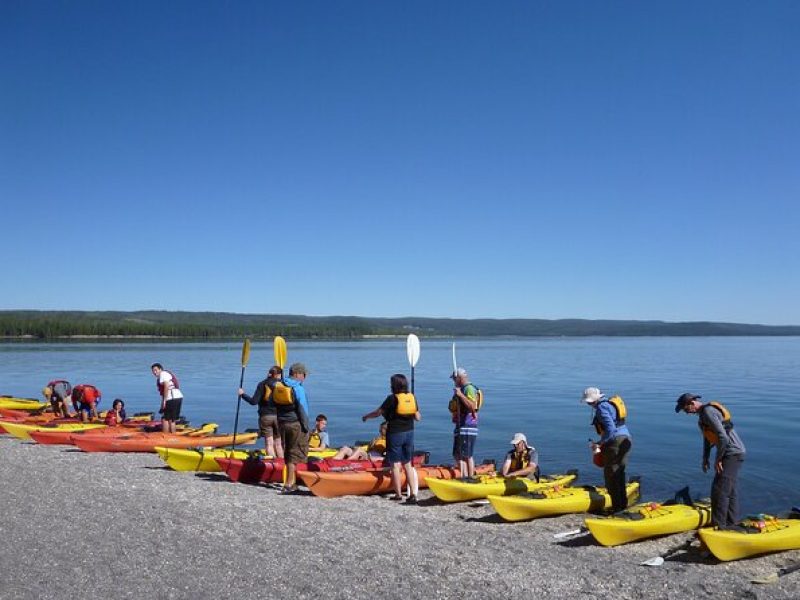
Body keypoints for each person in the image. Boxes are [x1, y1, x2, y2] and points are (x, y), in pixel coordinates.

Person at [675, 392, 746, 530]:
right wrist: (705, 458)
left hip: (732, 453)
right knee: (729, 490)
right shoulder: (702, 417)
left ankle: (719, 527)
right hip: (733, 453)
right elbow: (708, 438)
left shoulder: (708, 412)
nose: (686, 413)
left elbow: (723, 437)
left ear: (691, 403)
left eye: (685, 409)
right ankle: (731, 524)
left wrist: (718, 459)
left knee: (719, 491)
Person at [362, 374, 421, 504]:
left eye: (391, 383)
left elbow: (378, 413)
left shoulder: (391, 398)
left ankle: (398, 494)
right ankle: (413, 495)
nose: (390, 385)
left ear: (394, 385)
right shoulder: (412, 397)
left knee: (395, 464)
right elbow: (418, 417)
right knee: (407, 464)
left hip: (395, 433)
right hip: (409, 433)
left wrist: (366, 416)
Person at [583, 387, 632, 513]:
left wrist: (600, 443)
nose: (588, 404)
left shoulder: (601, 408)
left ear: (592, 401)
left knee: (611, 476)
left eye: (588, 402)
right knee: (619, 474)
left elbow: (610, 429)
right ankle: (622, 505)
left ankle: (616, 508)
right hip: (626, 438)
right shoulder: (609, 404)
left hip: (615, 442)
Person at [275, 362, 311, 494]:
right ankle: (289, 484)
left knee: (287, 453)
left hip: (282, 424)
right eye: (304, 374)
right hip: (296, 425)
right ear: (297, 374)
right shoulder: (298, 388)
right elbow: (303, 409)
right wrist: (306, 427)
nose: (305, 377)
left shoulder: (278, 385)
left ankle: (290, 482)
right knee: (294, 454)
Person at [238, 365, 284, 458]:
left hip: (265, 416)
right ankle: (282, 465)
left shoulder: (262, 384)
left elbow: (253, 402)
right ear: (278, 375)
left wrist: (242, 395)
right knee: (278, 444)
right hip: (279, 417)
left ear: (269, 373)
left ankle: (273, 463)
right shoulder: (283, 385)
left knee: (269, 444)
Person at [449, 367, 481, 480]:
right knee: (457, 454)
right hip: (460, 425)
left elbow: (472, 406)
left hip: (467, 426)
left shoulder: (468, 389)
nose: (453, 381)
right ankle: (464, 475)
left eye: (454, 378)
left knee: (465, 454)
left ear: (459, 378)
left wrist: (460, 395)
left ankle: (468, 477)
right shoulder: (461, 389)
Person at [151, 363, 183, 433]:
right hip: (177, 397)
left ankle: (166, 438)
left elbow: (166, 386)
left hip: (171, 398)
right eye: (153, 371)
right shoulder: (164, 375)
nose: (154, 372)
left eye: (156, 370)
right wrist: (162, 403)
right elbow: (163, 392)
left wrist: (165, 401)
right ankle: (173, 436)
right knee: (172, 419)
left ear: (160, 369)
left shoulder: (163, 374)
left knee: (165, 419)